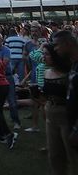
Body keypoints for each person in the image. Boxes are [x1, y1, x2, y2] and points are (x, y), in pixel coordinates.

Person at [46, 32, 78, 173]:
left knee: (73, 157)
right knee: (55, 155)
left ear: (67, 44)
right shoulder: (73, 65)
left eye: (57, 45)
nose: (56, 49)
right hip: (59, 116)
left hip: (71, 121)